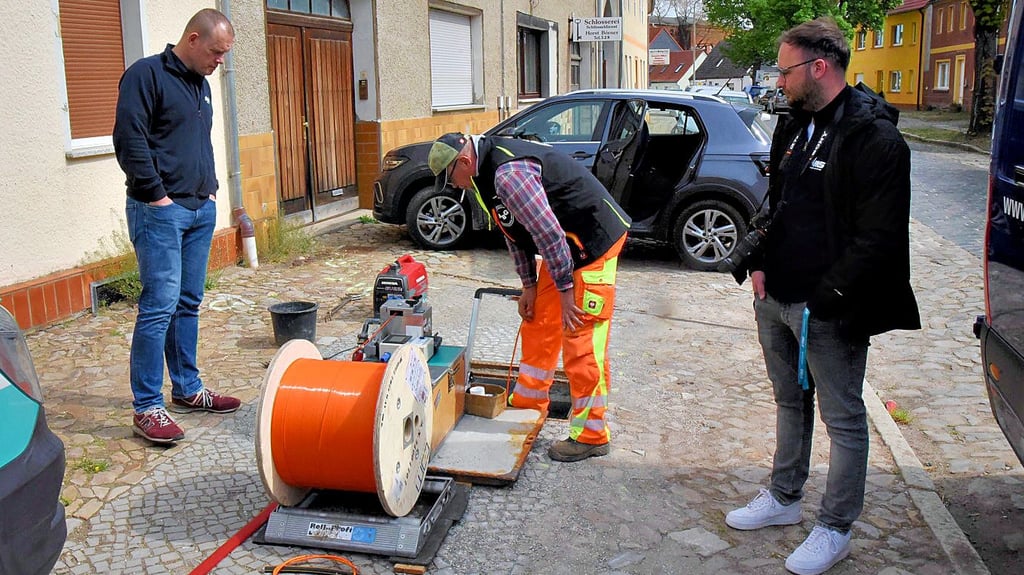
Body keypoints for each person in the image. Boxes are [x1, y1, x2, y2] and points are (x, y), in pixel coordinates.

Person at [724, 18, 920, 575]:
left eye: (785, 70)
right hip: (775, 295)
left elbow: (878, 238)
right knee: (790, 401)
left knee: (845, 419)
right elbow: (777, 203)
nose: (777, 81)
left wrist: (824, 298)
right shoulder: (793, 125)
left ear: (819, 67)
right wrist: (758, 264)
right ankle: (784, 499)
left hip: (830, 308)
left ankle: (834, 528)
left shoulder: (875, 138)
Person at [427, 132, 631, 462]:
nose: (453, 186)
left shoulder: (508, 175)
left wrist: (566, 292)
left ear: (463, 162)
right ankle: (527, 409)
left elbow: (547, 233)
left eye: (450, 178)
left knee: (580, 339)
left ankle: (592, 435)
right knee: (537, 321)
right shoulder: (483, 176)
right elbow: (515, 232)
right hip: (564, 247)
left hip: (591, 244)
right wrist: (529, 287)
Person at [114, 9, 241, 444]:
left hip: (198, 211)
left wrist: (210, 190)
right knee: (158, 306)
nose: (220, 61)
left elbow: (196, 142)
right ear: (192, 39)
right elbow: (129, 140)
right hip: (159, 213)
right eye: (217, 52)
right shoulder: (144, 76)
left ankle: (187, 389)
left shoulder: (200, 85)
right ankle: (147, 407)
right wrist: (157, 196)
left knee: (188, 303)